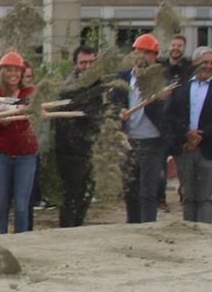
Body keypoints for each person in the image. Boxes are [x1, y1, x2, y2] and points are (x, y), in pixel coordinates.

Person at [164, 46, 212, 224]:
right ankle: (189, 229)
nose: (209, 66)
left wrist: (201, 135)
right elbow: (170, 113)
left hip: (208, 147)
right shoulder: (179, 85)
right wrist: (186, 133)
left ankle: (204, 231)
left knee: (204, 194)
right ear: (195, 63)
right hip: (183, 146)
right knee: (188, 193)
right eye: (205, 62)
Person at [113, 33, 170, 224]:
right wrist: (118, 112)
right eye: (140, 52)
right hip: (128, 141)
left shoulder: (160, 80)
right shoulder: (122, 77)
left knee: (148, 192)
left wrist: (153, 93)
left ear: (155, 57)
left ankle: (148, 229)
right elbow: (113, 104)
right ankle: (133, 228)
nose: (143, 56)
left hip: (152, 141)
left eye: (148, 53)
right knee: (130, 190)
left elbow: (163, 112)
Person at [53, 45, 103, 228]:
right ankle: (67, 231)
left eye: (91, 62)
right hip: (70, 152)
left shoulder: (98, 85)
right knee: (71, 196)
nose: (87, 66)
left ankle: (77, 227)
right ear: (75, 64)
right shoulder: (69, 87)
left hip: (92, 150)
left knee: (86, 195)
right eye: (83, 62)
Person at [0, 51, 38, 233]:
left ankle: (21, 242)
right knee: (0, 203)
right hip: (1, 155)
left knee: (21, 204)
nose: (13, 74)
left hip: (26, 155)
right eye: (9, 70)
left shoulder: (30, 93)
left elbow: (36, 116)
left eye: (17, 71)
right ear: (2, 72)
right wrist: (1, 122)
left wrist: (26, 111)